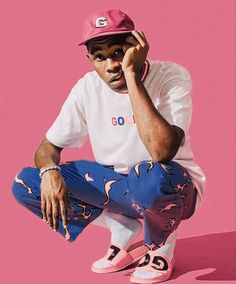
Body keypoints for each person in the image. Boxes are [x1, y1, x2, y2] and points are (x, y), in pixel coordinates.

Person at [12, 9, 206, 283]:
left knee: (150, 175)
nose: (111, 64)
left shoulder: (171, 76)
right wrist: (49, 173)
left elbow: (162, 151)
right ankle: (121, 226)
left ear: (137, 47)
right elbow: (47, 146)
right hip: (119, 188)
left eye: (119, 52)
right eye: (100, 57)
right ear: (89, 59)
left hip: (171, 187)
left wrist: (132, 76)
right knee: (27, 182)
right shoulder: (87, 88)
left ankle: (161, 244)